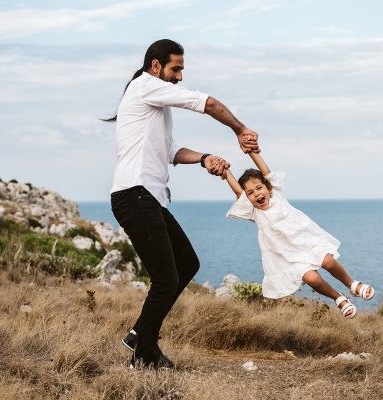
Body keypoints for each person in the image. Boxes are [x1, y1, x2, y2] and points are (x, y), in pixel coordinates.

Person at [106, 39, 260, 369]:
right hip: (135, 195)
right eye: (175, 69)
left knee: (187, 264)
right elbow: (205, 103)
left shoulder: (153, 104)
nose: (179, 77)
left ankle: (140, 338)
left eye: (181, 70)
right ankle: (142, 346)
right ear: (155, 66)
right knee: (165, 278)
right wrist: (240, 129)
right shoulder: (145, 85)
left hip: (148, 199)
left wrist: (204, 158)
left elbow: (171, 150)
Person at [224, 141, 374, 318]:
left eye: (259, 188)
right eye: (250, 193)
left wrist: (250, 151)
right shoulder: (254, 213)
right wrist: (225, 171)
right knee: (313, 280)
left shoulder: (277, 195)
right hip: (288, 257)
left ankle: (352, 284)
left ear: (268, 187)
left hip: (305, 241)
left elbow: (266, 171)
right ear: (247, 199)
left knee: (328, 262)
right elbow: (238, 193)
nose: (256, 194)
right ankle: (338, 298)